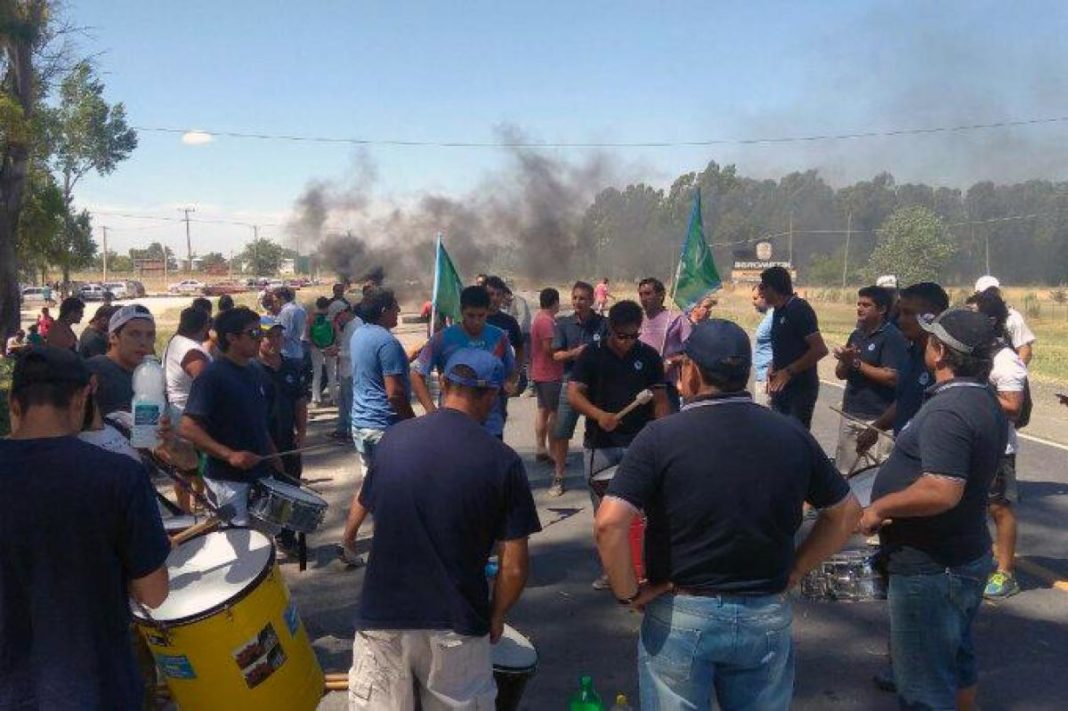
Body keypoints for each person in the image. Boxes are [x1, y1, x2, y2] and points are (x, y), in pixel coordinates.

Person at [595, 319, 861, 710]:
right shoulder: (790, 434)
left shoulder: (660, 437)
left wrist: (627, 593)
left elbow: (609, 523)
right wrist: (797, 569)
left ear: (692, 371)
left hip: (682, 613)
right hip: (764, 612)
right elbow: (846, 513)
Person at [347, 349, 541, 710]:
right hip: (456, 620)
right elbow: (513, 566)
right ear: (491, 395)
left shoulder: (393, 440)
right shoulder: (502, 461)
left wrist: (347, 538)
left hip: (383, 614)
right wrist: (496, 616)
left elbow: (365, 500)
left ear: (445, 384)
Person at [0, 347, 170, 708]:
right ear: (81, 398)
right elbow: (154, 594)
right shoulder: (119, 476)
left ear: (14, 404)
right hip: (97, 686)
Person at [861, 309, 1007, 710]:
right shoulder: (982, 398)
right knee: (955, 659)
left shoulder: (949, 410)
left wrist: (879, 508)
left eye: (930, 339)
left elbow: (942, 490)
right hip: (961, 554)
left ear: (940, 352)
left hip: (933, 567)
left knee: (924, 683)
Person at [568, 300, 670, 588]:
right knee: (605, 514)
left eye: (634, 335)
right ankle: (611, 571)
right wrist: (599, 415)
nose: (628, 342)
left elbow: (659, 401)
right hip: (601, 445)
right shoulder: (592, 355)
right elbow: (575, 394)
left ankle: (646, 569)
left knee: (645, 512)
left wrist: (664, 434)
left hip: (639, 445)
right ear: (610, 329)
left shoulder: (649, 357)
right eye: (622, 336)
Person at [180, 307, 281, 525]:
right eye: (254, 333)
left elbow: (258, 421)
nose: (261, 339)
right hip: (227, 479)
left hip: (261, 473)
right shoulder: (212, 376)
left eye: (261, 332)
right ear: (232, 338)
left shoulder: (256, 372)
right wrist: (229, 455)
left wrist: (273, 453)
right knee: (239, 543)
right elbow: (188, 427)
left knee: (265, 539)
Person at [339, 288, 415, 563]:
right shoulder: (387, 342)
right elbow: (394, 393)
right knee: (396, 488)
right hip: (385, 426)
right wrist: (412, 423)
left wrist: (411, 355)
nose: (399, 312)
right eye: (396, 307)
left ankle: (347, 540)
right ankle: (392, 549)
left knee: (371, 484)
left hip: (361, 423)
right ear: (384, 310)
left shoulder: (361, 333)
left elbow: (377, 368)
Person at [968, 290, 1027, 599]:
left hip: (997, 446)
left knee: (998, 508)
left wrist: (974, 392)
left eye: (973, 314)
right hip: (972, 442)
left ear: (991, 320)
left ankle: (1005, 573)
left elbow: (1013, 406)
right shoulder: (974, 353)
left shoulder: (1005, 360)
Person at [857, 282, 950, 455]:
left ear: (933, 316)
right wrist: (876, 428)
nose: (900, 320)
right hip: (905, 452)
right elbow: (904, 400)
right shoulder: (910, 352)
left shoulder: (947, 363)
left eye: (908, 313)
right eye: (900, 312)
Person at [412, 285, 516, 439]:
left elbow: (510, 371)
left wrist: (509, 383)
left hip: (491, 424)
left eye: (481, 315)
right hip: (453, 423)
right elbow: (416, 374)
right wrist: (432, 412)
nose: (476, 321)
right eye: (470, 315)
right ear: (461, 311)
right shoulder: (442, 339)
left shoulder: (499, 337)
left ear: (488, 311)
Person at [832, 286, 907, 474]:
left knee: (874, 475)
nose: (860, 308)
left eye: (866, 305)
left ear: (881, 310)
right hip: (851, 413)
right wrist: (845, 360)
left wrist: (856, 363)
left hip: (878, 419)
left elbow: (892, 377)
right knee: (845, 473)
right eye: (858, 304)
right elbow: (841, 374)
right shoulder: (856, 334)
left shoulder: (891, 337)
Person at [551, 281, 608, 485]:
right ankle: (558, 476)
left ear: (592, 300)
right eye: (575, 298)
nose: (578, 302)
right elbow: (556, 356)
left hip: (598, 382)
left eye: (583, 298)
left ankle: (601, 472)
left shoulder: (603, 324)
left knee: (600, 427)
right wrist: (576, 352)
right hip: (571, 381)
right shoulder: (563, 324)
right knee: (562, 430)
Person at [760, 266, 829, 429]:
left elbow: (820, 349)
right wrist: (772, 366)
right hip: (780, 388)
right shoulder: (777, 311)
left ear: (773, 288)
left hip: (799, 391)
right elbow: (786, 346)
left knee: (795, 436)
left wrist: (789, 371)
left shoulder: (799, 309)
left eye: (763, 287)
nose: (760, 292)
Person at [163, 306, 213, 512]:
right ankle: (190, 510)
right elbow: (204, 383)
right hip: (191, 416)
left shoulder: (175, 342)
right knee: (193, 468)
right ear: (204, 325)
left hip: (178, 412)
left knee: (187, 468)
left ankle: (190, 507)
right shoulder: (191, 350)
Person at [86, 304, 157, 417]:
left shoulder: (152, 374)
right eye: (134, 334)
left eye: (150, 335)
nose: (143, 342)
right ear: (113, 337)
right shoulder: (92, 372)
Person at [637, 277, 689, 411]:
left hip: (665, 388)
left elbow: (692, 353)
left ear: (661, 295)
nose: (643, 298)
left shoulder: (677, 319)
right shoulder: (637, 320)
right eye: (641, 294)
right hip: (639, 387)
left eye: (648, 294)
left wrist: (671, 361)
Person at [530, 288, 565, 484]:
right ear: (555, 302)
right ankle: (552, 450)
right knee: (554, 412)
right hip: (549, 373)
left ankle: (541, 447)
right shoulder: (546, 321)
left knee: (543, 410)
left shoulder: (541, 319)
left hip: (540, 372)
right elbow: (548, 349)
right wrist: (567, 351)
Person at [484, 276, 524, 423]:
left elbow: (520, 349)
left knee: (496, 429)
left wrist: (514, 377)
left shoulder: (509, 322)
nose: (494, 298)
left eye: (498, 294)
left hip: (499, 386)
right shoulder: (475, 320)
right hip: (476, 385)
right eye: (490, 294)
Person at [975, 275, 1035, 365]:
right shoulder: (971, 316)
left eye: (994, 291)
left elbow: (1024, 350)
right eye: (988, 292)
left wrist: (1015, 372)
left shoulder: (1012, 317)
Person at [332, 303, 364, 441]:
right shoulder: (349, 325)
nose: (336, 321)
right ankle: (342, 429)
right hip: (345, 370)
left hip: (352, 371)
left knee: (351, 404)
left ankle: (352, 433)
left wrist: (338, 353)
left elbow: (355, 352)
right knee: (344, 403)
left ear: (343, 312)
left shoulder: (356, 326)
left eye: (336, 317)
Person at [308, 295, 339, 406]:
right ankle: (334, 397)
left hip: (316, 348)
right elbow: (336, 332)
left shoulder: (312, 317)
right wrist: (332, 344)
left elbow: (308, 334)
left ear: (317, 305)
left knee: (317, 373)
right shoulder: (331, 317)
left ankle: (316, 399)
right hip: (330, 346)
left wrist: (315, 345)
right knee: (332, 372)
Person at [751, 285, 775, 406]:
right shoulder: (769, 316)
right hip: (762, 376)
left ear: (764, 297)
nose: (753, 302)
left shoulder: (774, 317)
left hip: (768, 378)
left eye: (755, 298)